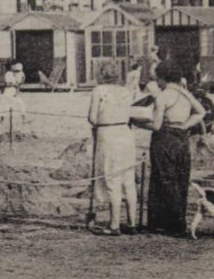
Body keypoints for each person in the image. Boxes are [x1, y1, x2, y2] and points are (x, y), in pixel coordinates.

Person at [136, 62, 205, 235]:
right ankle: (178, 222)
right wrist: (185, 125)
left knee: (163, 178)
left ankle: (161, 223)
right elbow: (201, 112)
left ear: (162, 78)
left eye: (157, 78)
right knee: (180, 178)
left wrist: (137, 122)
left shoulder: (162, 96)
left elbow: (157, 125)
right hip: (181, 137)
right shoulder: (186, 94)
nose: (156, 82)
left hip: (164, 138)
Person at [86, 61, 140, 235]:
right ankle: (132, 223)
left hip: (108, 134)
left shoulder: (98, 91)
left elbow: (93, 118)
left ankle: (114, 224)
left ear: (101, 74)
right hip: (125, 133)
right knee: (128, 179)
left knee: (112, 178)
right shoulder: (126, 91)